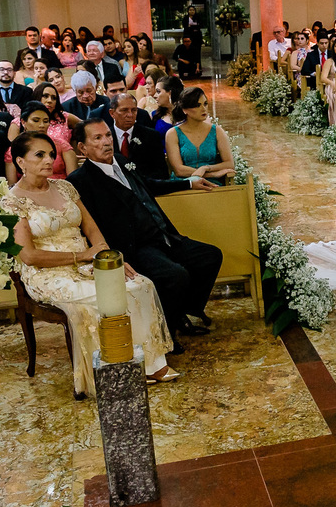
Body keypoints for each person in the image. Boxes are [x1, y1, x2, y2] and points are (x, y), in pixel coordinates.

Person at [2, 131, 177, 397]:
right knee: (100, 297)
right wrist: (81, 257)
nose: (49, 160)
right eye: (39, 155)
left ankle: (150, 364)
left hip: (89, 262)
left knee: (139, 284)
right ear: (20, 162)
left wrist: (109, 261)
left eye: (51, 154)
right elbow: (28, 256)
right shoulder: (12, 201)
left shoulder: (65, 187)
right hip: (47, 273)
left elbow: (92, 230)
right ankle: (109, 372)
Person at [68, 119, 224, 342]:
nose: (106, 142)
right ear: (82, 148)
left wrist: (188, 183)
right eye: (98, 138)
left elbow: (148, 184)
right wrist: (113, 257)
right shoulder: (80, 181)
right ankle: (165, 337)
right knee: (175, 276)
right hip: (136, 246)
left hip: (163, 235)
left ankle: (181, 312)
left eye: (108, 135)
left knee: (210, 256)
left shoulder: (121, 161)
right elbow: (89, 227)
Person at [165, 87, 234, 183]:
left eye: (205, 104)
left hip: (212, 185)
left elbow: (229, 164)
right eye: (197, 105)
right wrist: (212, 174)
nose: (203, 109)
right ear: (185, 110)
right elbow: (179, 170)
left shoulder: (217, 131)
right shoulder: (173, 134)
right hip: (184, 185)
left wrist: (206, 168)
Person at [4, 101, 78, 184]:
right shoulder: (14, 150)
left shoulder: (62, 145)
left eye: (46, 121)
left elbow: (73, 181)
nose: (42, 125)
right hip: (27, 194)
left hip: (61, 192)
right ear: (23, 122)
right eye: (36, 121)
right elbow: (12, 185)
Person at [105, 92, 169, 181]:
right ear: (112, 113)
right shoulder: (104, 138)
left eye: (134, 110)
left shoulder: (151, 136)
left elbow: (162, 172)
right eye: (124, 110)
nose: (130, 115)